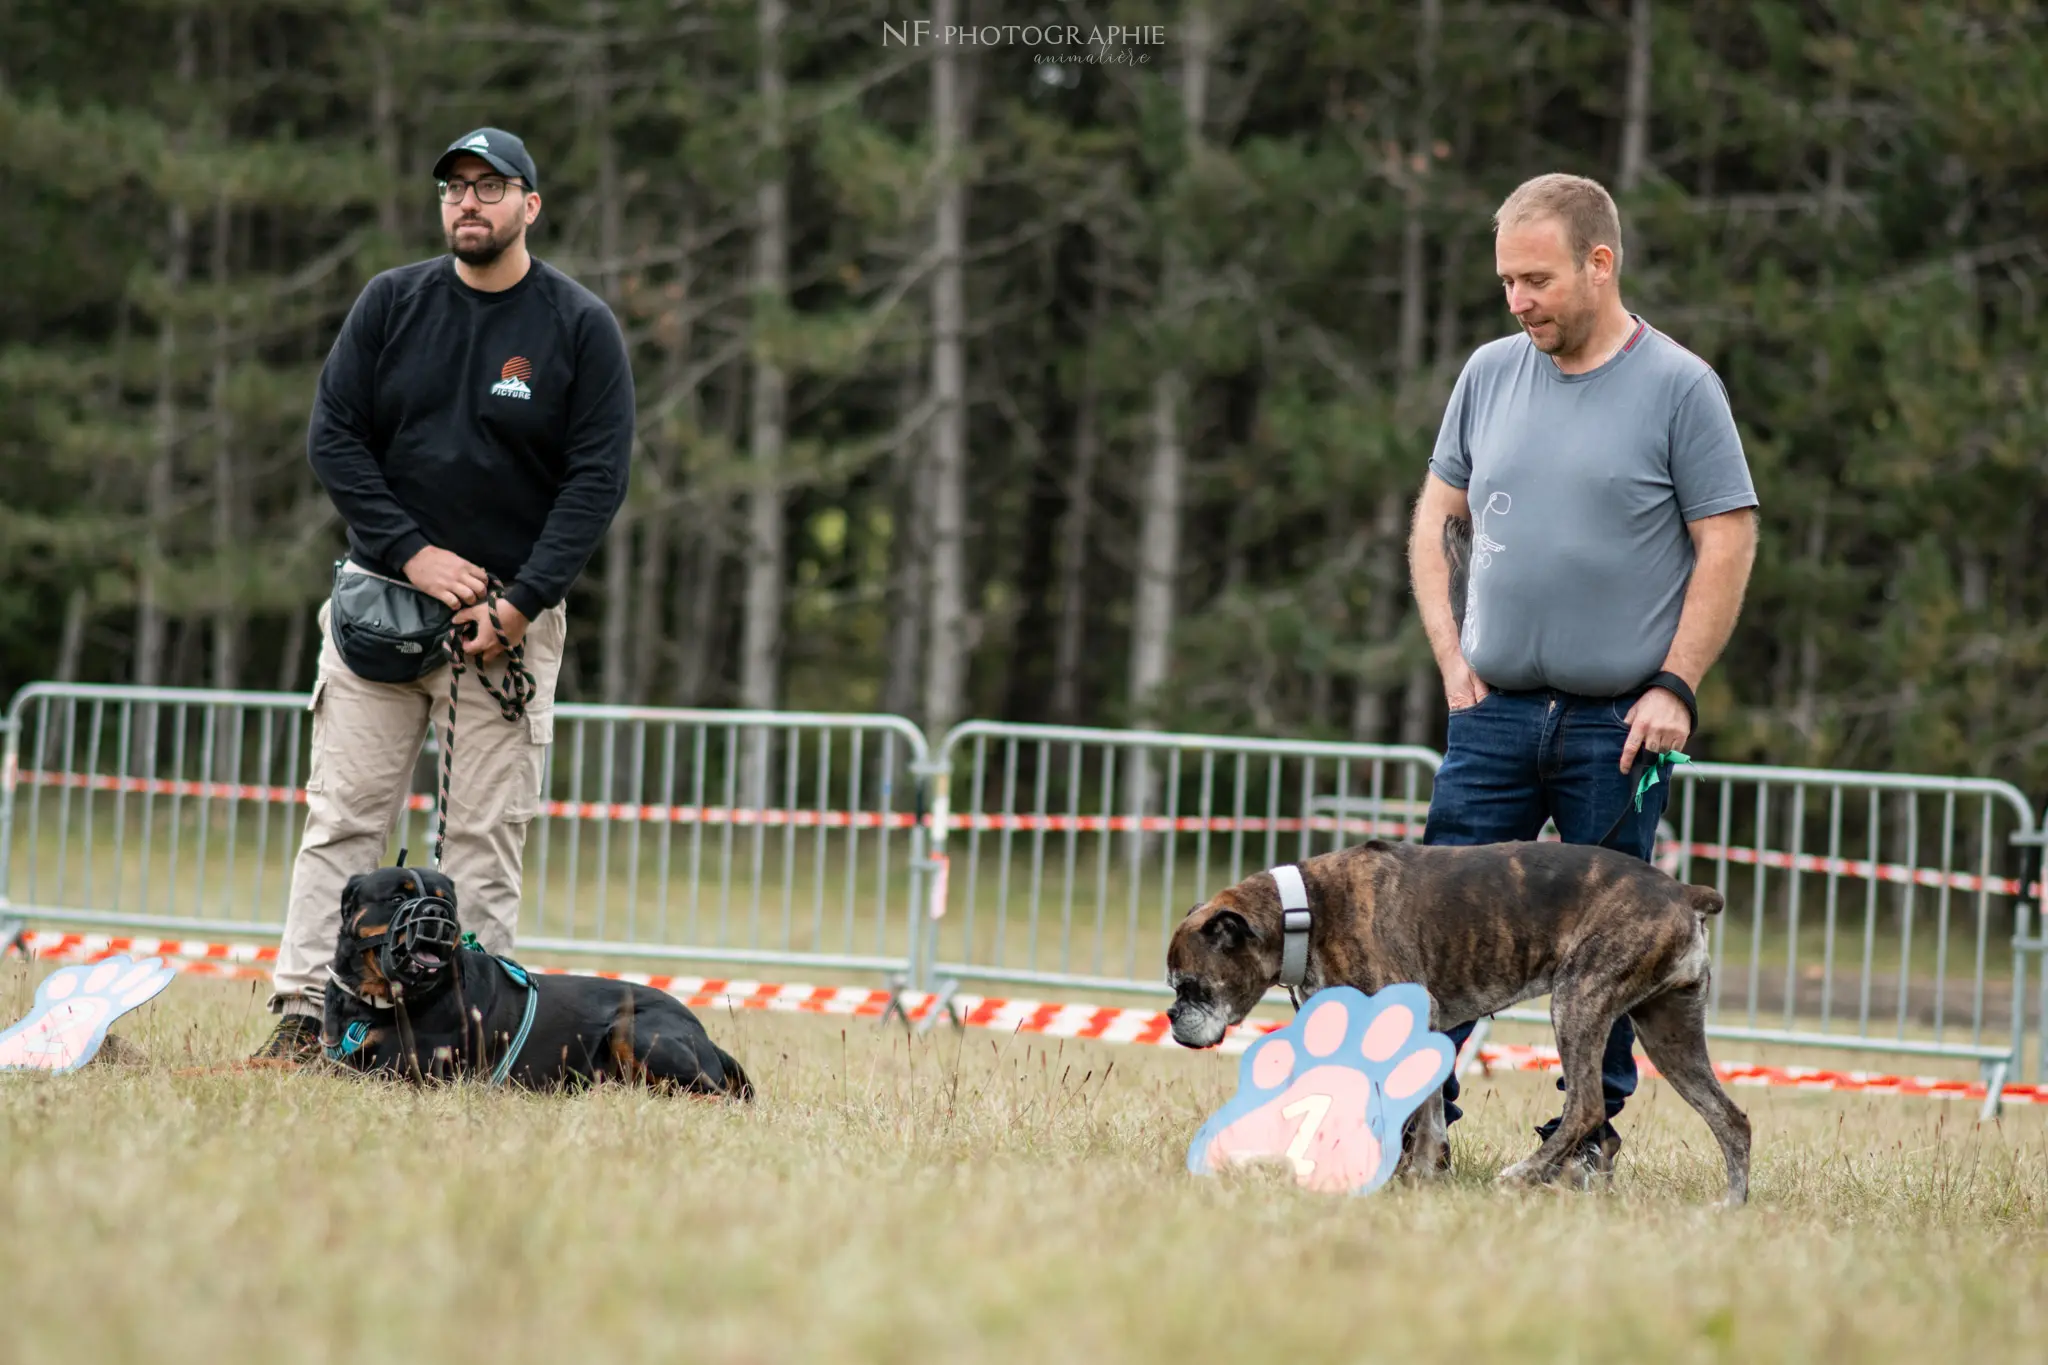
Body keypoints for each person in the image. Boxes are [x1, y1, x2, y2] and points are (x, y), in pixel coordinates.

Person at [251, 126, 635, 1062]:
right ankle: (308, 1018)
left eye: (490, 186)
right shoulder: (392, 303)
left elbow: (596, 481)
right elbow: (334, 437)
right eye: (454, 187)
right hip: (380, 608)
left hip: (506, 626)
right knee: (346, 820)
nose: (468, 201)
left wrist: (522, 604)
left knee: (481, 839)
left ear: (529, 206)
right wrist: (414, 553)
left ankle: (468, 1036)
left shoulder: (578, 327)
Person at [1406, 172, 1759, 1179]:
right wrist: (1448, 658)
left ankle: (1581, 1142)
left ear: (1599, 264)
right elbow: (1435, 518)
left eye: (1536, 279)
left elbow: (1725, 540)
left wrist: (1675, 686)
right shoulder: (1486, 372)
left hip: (1618, 723)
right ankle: (1409, 1118)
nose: (1517, 301)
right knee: (1432, 929)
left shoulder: (1680, 387)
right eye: (1506, 281)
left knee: (1599, 948)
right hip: (1492, 717)